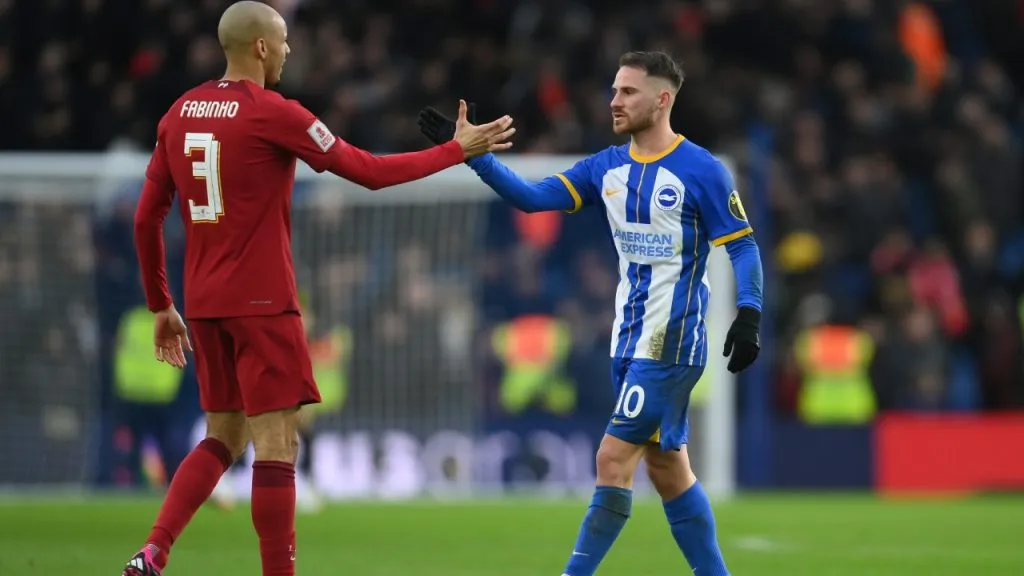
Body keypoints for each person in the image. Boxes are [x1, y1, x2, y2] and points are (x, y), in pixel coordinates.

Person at [124, 1, 515, 574]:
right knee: (278, 444)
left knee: (223, 436)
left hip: (204, 304)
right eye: (282, 41)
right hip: (263, 302)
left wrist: (161, 305)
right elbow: (371, 172)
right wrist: (457, 150)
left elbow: (145, 218)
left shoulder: (178, 113)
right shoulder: (274, 113)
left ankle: (153, 551)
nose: (288, 50)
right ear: (260, 47)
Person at [419, 50, 763, 576]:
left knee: (610, 459)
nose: (615, 101)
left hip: (669, 343)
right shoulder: (607, 167)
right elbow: (532, 198)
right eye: (614, 90)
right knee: (668, 471)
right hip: (626, 341)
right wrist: (474, 155)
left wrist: (749, 313)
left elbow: (742, 246)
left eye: (628, 91)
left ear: (662, 99)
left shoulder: (702, 170)